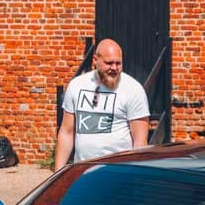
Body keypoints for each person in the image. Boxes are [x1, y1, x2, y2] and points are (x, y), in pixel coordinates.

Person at [55, 38, 150, 168]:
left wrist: (134, 174)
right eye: (109, 63)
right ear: (95, 60)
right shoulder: (76, 86)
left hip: (117, 170)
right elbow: (67, 132)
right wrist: (58, 173)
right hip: (82, 169)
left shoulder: (133, 90)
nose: (114, 68)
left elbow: (140, 141)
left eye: (118, 63)